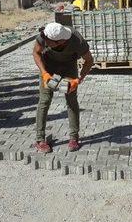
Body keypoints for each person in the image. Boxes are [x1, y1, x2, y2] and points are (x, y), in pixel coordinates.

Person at [32, 22, 94, 153]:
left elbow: (89, 60)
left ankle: (74, 138)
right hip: (48, 67)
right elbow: (36, 52)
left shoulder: (77, 40)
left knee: (71, 101)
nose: (45, 42)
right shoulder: (44, 36)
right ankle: (40, 139)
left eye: (49, 42)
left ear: (59, 42)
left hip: (68, 67)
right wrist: (44, 73)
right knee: (44, 100)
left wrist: (78, 79)